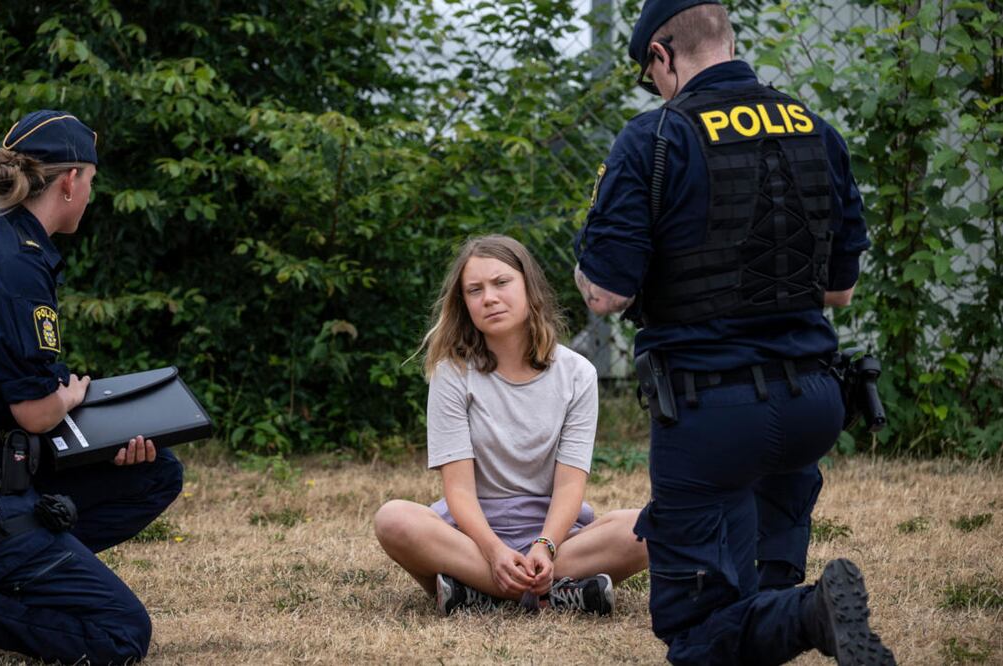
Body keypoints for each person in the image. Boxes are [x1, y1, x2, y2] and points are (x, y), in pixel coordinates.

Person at [573, 2, 896, 664]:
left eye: (649, 73)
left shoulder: (653, 139)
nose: (654, 87)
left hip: (709, 414)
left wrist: (591, 248)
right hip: (811, 403)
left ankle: (811, 614)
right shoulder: (816, 131)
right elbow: (838, 290)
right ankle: (802, 609)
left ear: (661, 55)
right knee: (757, 593)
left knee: (695, 630)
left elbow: (606, 294)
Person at [0, 110, 184, 663]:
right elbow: (37, 413)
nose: (90, 194)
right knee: (121, 634)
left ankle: (27, 566)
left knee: (155, 471)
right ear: (70, 181)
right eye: (90, 181)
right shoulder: (17, 263)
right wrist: (68, 395)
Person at [374, 235, 648, 616]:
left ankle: (477, 594)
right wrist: (494, 551)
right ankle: (559, 594)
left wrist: (545, 545)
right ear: (464, 303)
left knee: (649, 527)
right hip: (471, 537)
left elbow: (570, 483)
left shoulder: (577, 373)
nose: (489, 297)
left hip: (555, 537)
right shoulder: (452, 373)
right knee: (394, 519)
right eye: (475, 290)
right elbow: (459, 490)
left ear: (529, 288)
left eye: (501, 283)